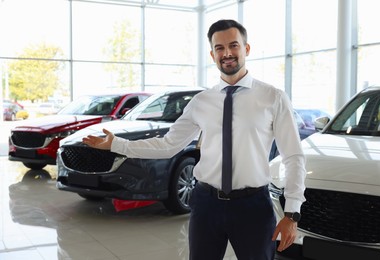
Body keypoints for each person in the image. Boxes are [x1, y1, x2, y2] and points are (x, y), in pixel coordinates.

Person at [82, 19, 306, 260]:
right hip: (206, 204)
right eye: (219, 48)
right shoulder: (201, 102)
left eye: (234, 45)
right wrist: (117, 144)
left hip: (253, 206)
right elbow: (169, 145)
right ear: (212, 54)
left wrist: (292, 213)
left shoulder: (273, 97)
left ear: (246, 49)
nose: (227, 53)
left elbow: (293, 157)